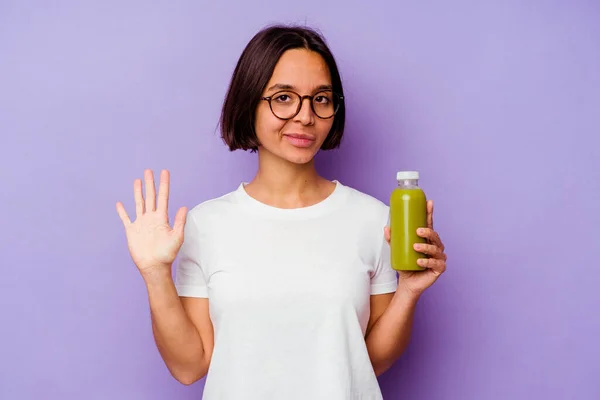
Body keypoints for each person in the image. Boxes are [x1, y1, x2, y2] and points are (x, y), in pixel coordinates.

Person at [116, 24, 447, 399]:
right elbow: (189, 366)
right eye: (284, 97)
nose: (305, 116)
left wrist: (408, 292)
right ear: (248, 102)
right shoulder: (205, 226)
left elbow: (368, 360)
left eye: (320, 99)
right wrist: (156, 273)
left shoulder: (374, 220)